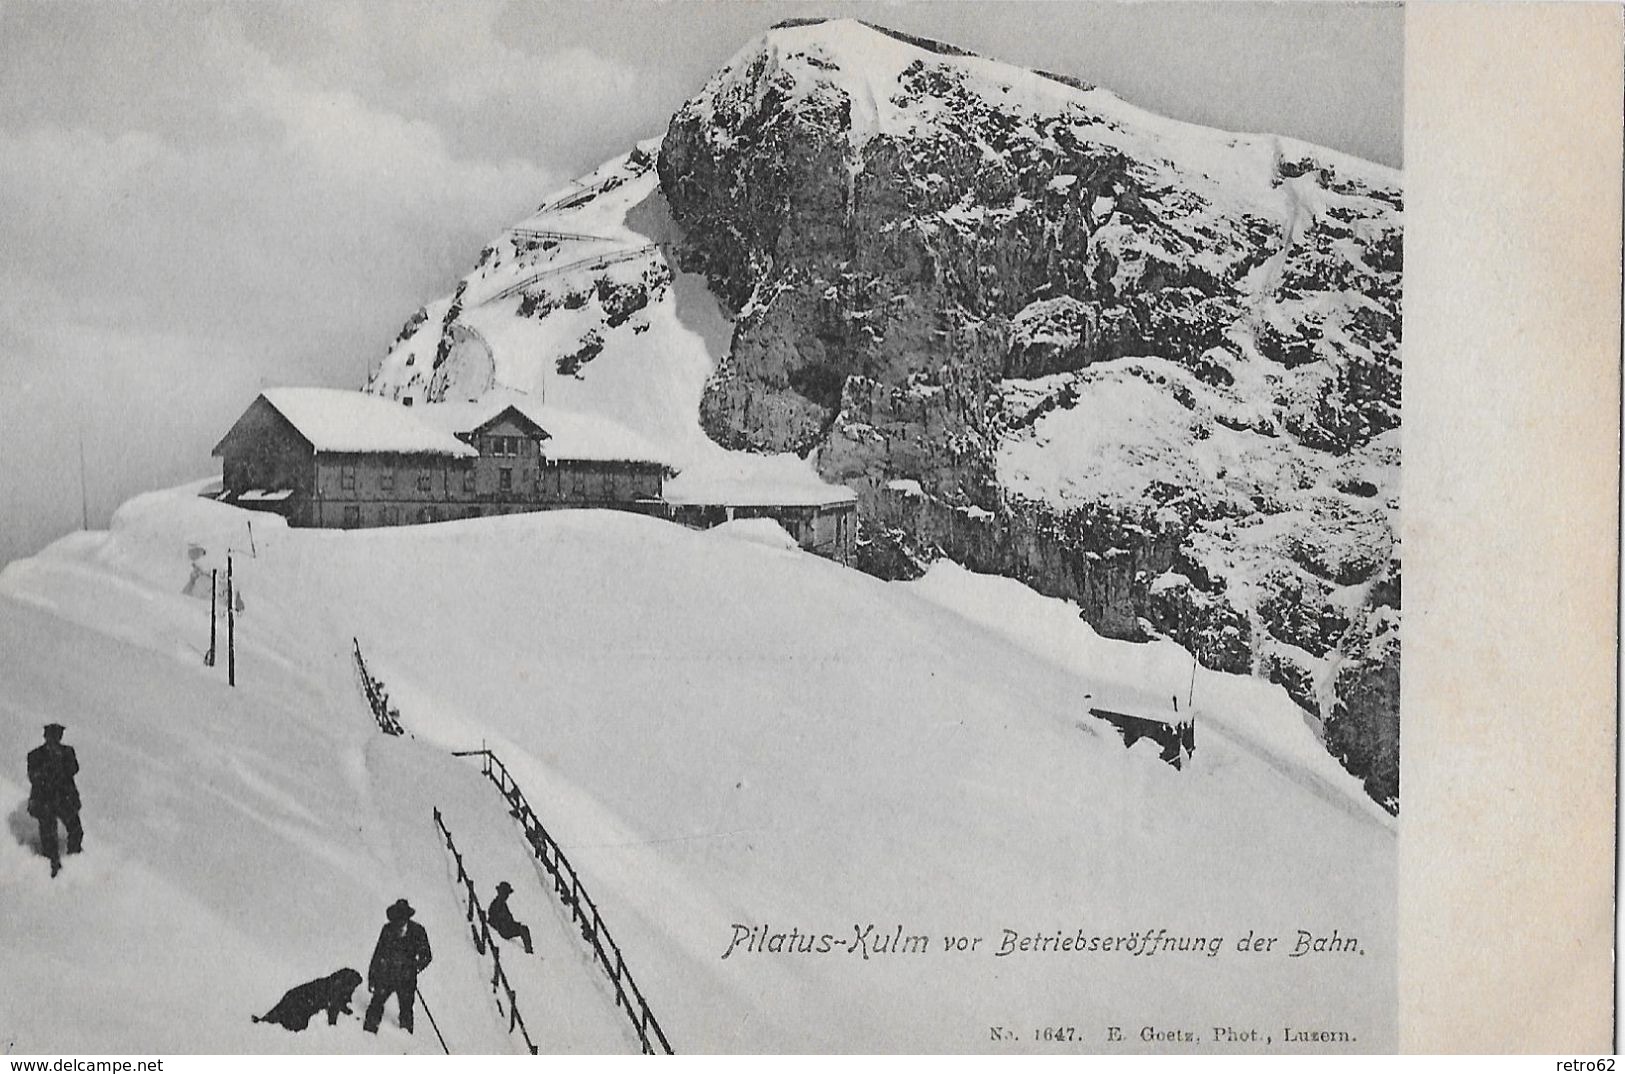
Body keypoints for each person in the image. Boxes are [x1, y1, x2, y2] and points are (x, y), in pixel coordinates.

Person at [363, 899, 432, 1034]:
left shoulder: (418, 932)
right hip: (386, 976)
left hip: (406, 979)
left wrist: (414, 968)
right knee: (376, 1004)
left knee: (406, 1011)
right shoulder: (387, 930)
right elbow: (378, 954)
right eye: (396, 919)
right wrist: (372, 977)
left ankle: (405, 1042)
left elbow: (427, 956)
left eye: (402, 919)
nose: (399, 923)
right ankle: (368, 1034)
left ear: (407, 918)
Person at [27, 723, 82, 878]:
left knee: (76, 830)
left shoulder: (67, 752)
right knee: (48, 834)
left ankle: (74, 861)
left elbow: (74, 769)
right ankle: (51, 866)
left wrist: (60, 763)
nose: (54, 740)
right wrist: (48, 770)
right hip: (45, 801)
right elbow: (33, 777)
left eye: (57, 736)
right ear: (46, 737)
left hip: (65, 799)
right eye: (51, 736)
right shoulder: (35, 755)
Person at [487, 881, 533, 954]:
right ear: (500, 893)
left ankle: (529, 950)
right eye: (504, 893)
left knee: (523, 928)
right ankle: (529, 951)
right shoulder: (496, 904)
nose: (506, 896)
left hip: (507, 927)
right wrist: (500, 926)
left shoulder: (503, 904)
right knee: (523, 929)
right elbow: (491, 919)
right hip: (504, 930)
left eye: (507, 894)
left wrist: (515, 924)